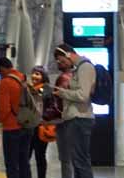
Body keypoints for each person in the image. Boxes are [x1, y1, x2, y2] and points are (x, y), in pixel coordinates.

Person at [53, 44, 96, 178]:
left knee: (81, 161)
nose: (62, 64)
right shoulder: (79, 69)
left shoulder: (85, 68)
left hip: (80, 118)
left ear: (68, 54)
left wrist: (63, 93)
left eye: (62, 60)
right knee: (78, 161)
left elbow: (83, 95)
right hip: (76, 118)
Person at [0, 57, 32, 178]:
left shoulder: (5, 82)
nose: (0, 75)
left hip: (12, 128)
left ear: (2, 69)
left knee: (11, 163)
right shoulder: (24, 78)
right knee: (24, 161)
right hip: (27, 125)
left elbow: (4, 109)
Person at [28, 66, 53, 178]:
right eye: (33, 73)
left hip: (40, 126)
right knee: (26, 155)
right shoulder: (30, 88)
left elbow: (41, 95)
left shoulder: (46, 88)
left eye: (38, 74)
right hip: (29, 126)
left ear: (43, 76)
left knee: (40, 155)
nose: (34, 76)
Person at [54, 59, 74, 178]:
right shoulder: (76, 77)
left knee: (65, 158)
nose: (58, 62)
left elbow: (58, 99)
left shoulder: (63, 78)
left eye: (62, 60)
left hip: (64, 120)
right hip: (74, 119)